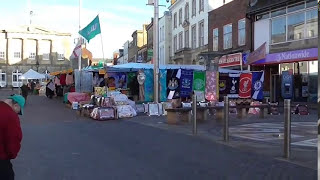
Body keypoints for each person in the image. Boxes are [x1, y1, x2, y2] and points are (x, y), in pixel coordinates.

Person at [0, 94, 25, 180]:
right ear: (16, 105)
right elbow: (13, 139)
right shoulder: (11, 116)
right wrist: (12, 154)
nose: (18, 113)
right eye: (19, 111)